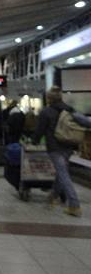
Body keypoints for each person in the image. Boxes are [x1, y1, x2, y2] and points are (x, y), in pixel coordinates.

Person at [32, 86, 91, 217]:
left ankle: (74, 205)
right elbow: (86, 122)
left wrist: (34, 141)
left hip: (54, 147)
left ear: (49, 98)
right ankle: (53, 196)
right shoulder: (69, 110)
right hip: (69, 146)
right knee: (61, 172)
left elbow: (40, 130)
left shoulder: (46, 112)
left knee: (63, 174)